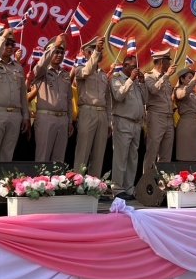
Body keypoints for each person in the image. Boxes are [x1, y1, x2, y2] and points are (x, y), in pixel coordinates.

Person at [0, 29, 30, 167]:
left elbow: (22, 95)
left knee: (7, 154)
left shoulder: (18, 67)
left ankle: (1, 187)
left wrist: (25, 115)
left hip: (14, 115)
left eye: (12, 44)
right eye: (6, 43)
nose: (9, 46)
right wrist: (2, 37)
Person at [110, 55, 147, 199]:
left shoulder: (137, 82)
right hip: (122, 120)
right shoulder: (116, 78)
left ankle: (129, 188)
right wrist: (131, 79)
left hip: (137, 123)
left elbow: (146, 100)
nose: (135, 70)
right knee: (121, 156)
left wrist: (142, 82)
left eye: (136, 67)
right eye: (132, 67)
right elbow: (119, 96)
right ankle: (118, 188)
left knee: (133, 157)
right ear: (124, 66)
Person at [31, 33, 72, 163]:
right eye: (56, 52)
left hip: (63, 119)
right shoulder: (42, 70)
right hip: (46, 118)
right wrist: (55, 45)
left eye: (61, 52)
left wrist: (69, 121)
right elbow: (41, 65)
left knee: (59, 159)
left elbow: (68, 100)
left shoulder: (65, 74)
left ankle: (56, 184)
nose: (59, 55)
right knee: (43, 157)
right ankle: (39, 183)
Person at [73, 37, 111, 175]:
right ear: (87, 53)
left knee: (99, 153)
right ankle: (77, 184)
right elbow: (87, 71)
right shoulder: (80, 69)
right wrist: (96, 52)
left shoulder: (103, 75)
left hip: (102, 113)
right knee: (83, 151)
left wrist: (109, 121)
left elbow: (108, 99)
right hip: (87, 111)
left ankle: (94, 185)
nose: (99, 53)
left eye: (100, 50)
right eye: (94, 50)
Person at [143, 48, 176, 172]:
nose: (169, 65)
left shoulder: (165, 79)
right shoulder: (149, 76)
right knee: (152, 150)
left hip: (168, 117)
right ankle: (147, 182)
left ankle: (162, 182)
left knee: (166, 153)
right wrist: (167, 75)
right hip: (156, 116)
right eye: (168, 61)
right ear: (162, 62)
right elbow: (153, 90)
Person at [173, 67, 196, 161]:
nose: (192, 79)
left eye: (192, 77)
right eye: (189, 77)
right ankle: (184, 175)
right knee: (185, 155)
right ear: (182, 79)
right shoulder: (178, 89)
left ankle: (194, 176)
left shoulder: (195, 93)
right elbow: (182, 95)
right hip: (187, 124)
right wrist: (194, 80)